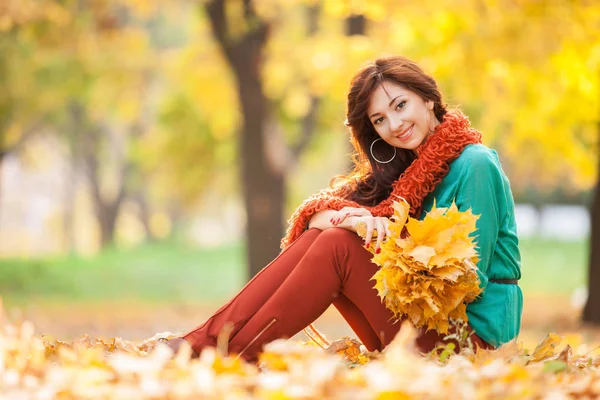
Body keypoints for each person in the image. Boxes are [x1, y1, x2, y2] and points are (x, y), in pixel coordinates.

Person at [165, 56, 522, 362]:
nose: (394, 125)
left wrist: (388, 242)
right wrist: (356, 220)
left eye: (400, 105)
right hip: (417, 329)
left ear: (428, 99)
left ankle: (226, 355)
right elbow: (316, 220)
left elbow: (467, 282)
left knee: (338, 247)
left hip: (468, 344)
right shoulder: (406, 174)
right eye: (379, 119)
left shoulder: (475, 164)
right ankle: (208, 345)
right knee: (334, 238)